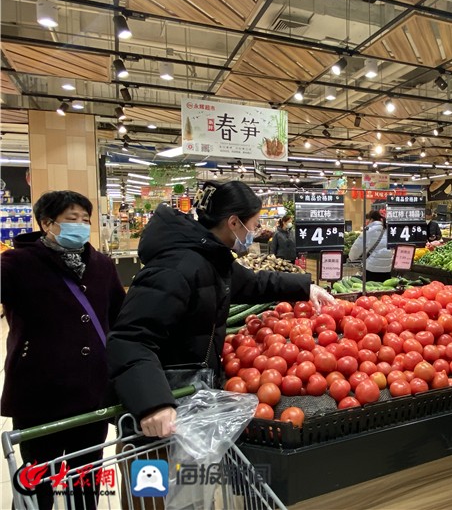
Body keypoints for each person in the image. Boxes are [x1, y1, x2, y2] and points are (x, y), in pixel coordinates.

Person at [107, 181, 334, 439]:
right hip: (164, 406)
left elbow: (253, 283)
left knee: (190, 475)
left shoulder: (211, 258)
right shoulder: (176, 266)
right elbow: (130, 338)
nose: (256, 231)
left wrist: (306, 287)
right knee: (157, 476)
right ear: (234, 223)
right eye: (254, 224)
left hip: (188, 393)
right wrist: (153, 402)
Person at [1, 190, 125, 510]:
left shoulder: (102, 265)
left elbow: (118, 316)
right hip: (39, 392)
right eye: (72, 219)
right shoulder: (17, 264)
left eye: (86, 219)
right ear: (47, 224)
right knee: (36, 480)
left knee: (86, 475)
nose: (81, 226)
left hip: (90, 391)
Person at [348, 210, 393, 282]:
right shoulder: (388, 230)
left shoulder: (369, 230)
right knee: (385, 290)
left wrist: (352, 257)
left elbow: (357, 247)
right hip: (387, 269)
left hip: (372, 268)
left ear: (371, 219)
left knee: (371, 291)